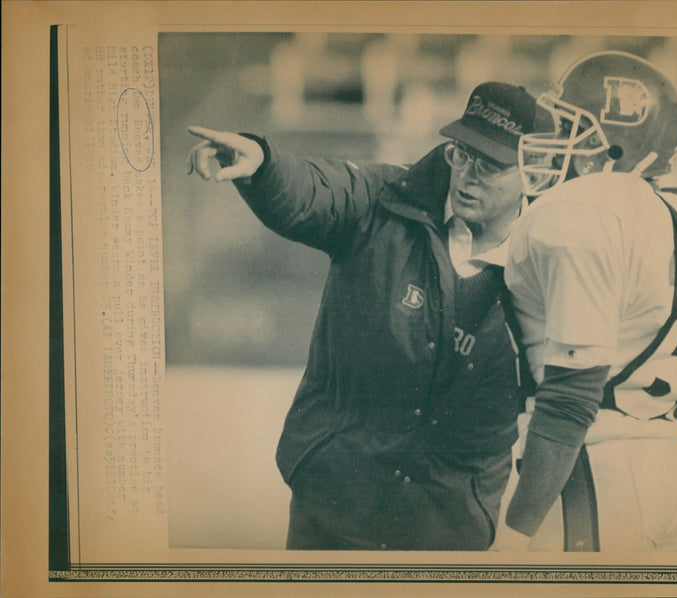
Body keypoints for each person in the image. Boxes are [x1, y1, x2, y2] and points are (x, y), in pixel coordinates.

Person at [186, 82, 540, 550]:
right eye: (462, 153)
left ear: (533, 175)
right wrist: (265, 167)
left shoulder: (551, 259)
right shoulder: (386, 197)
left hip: (448, 527)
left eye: (491, 164)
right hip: (336, 506)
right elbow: (317, 188)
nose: (469, 174)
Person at [500, 51, 677, 552]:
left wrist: (512, 537)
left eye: (573, 130)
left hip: (591, 469)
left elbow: (570, 400)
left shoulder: (582, 211)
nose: (554, 142)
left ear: (613, 148)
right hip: (673, 466)